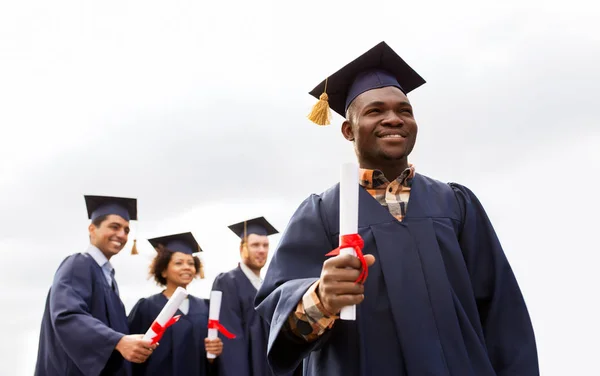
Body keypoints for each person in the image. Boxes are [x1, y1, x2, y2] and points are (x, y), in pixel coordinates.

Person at [255, 41, 539, 376]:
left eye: (404, 110)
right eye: (375, 111)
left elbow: (502, 315)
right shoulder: (320, 214)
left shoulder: (456, 205)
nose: (393, 119)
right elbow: (281, 325)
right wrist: (321, 298)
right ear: (348, 130)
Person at [35, 195, 158, 376]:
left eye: (126, 230)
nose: (122, 235)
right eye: (114, 227)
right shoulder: (78, 264)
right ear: (92, 229)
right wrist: (118, 341)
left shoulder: (108, 277)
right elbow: (67, 316)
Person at [128, 232, 224, 376]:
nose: (186, 267)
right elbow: (132, 354)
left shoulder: (205, 307)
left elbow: (211, 361)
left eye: (191, 263)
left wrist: (214, 354)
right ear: (164, 271)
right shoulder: (147, 306)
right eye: (179, 263)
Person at [212, 217, 298, 376]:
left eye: (265, 245)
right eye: (255, 245)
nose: (261, 250)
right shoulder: (227, 282)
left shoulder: (271, 287)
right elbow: (231, 339)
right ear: (242, 248)